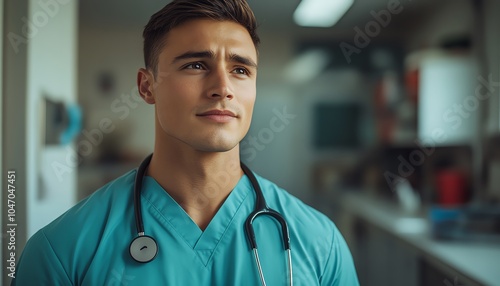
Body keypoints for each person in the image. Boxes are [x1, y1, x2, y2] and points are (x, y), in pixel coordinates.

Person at [12, 0, 359, 285]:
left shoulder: (320, 244)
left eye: (240, 70)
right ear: (147, 86)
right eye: (195, 64)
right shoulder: (62, 251)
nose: (222, 87)